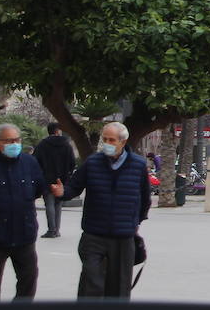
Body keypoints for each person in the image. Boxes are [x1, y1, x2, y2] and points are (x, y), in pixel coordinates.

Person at [0, 123, 62, 301]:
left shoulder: (29, 162)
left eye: (17, 140)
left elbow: (38, 187)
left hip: (24, 233)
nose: (15, 144)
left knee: (28, 277)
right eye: (9, 141)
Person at [60, 122, 152, 300]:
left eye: (112, 140)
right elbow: (74, 187)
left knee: (119, 285)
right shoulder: (92, 162)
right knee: (91, 278)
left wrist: (135, 221)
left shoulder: (138, 165)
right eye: (105, 139)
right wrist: (62, 192)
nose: (107, 143)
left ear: (123, 142)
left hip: (123, 236)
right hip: (94, 234)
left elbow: (145, 198)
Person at [33, 121, 76, 238]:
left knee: (49, 204)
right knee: (58, 204)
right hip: (62, 179)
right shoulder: (67, 145)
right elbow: (72, 162)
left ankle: (51, 229)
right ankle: (57, 229)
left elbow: (35, 161)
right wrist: (68, 174)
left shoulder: (42, 145)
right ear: (58, 131)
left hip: (46, 179)